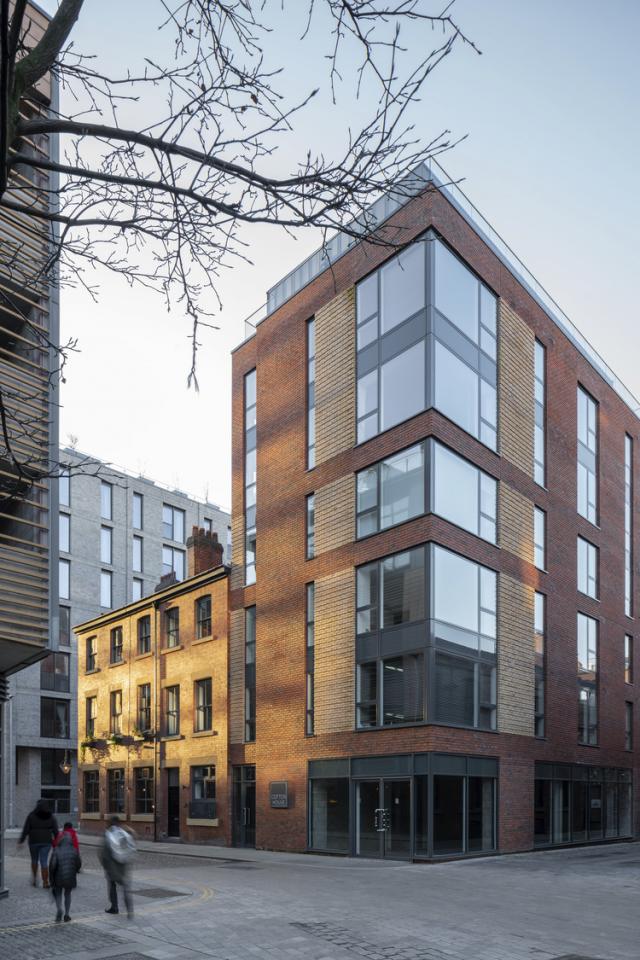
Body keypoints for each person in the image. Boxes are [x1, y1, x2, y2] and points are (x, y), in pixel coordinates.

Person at [99, 816, 136, 918]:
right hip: (123, 866)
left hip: (112, 867)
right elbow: (131, 847)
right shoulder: (123, 833)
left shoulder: (109, 834)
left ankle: (114, 907)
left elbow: (104, 853)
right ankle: (130, 909)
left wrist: (105, 865)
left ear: (110, 823)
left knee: (112, 887)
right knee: (125, 888)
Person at [18, 798, 59, 888]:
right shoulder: (51, 816)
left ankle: (34, 879)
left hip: (34, 841)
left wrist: (21, 841)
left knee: (34, 860)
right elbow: (56, 831)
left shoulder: (31, 815)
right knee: (44, 861)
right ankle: (45, 882)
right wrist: (57, 841)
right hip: (46, 841)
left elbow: (26, 829)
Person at [49, 831, 81, 922]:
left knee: (58, 893)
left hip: (58, 877)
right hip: (70, 877)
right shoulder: (74, 850)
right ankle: (67, 914)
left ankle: (59, 909)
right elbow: (79, 864)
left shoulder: (56, 850)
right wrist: (74, 870)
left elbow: (52, 865)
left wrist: (51, 878)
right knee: (68, 894)